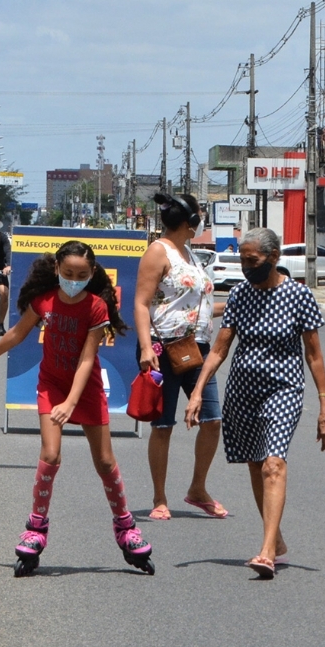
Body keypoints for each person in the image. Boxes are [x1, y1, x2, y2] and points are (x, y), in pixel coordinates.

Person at [0, 240, 154, 576]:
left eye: (81, 274)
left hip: (87, 388)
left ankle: (126, 528)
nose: (73, 279)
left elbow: (87, 358)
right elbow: (16, 334)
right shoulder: (44, 301)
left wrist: (72, 402)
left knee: (105, 461)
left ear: (92, 273)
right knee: (50, 455)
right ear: (57, 269)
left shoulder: (96, 307)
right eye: (67, 273)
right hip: (51, 385)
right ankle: (36, 529)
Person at [187, 227, 325, 579]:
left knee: (273, 464)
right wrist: (197, 391)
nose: (246, 266)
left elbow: (313, 356)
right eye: (242, 260)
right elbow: (220, 348)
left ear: (274, 257)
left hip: (284, 390)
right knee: (255, 464)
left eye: (251, 260)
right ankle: (277, 540)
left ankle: (267, 552)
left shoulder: (299, 296)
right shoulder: (240, 295)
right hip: (242, 391)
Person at [134, 192, 227, 521]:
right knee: (163, 425)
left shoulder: (189, 253)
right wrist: (146, 348)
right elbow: (142, 303)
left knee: (213, 420)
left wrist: (232, 307)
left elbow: (193, 305)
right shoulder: (158, 252)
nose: (201, 219)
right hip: (163, 347)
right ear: (189, 221)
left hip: (197, 348)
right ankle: (160, 497)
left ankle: (197, 488)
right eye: (199, 214)